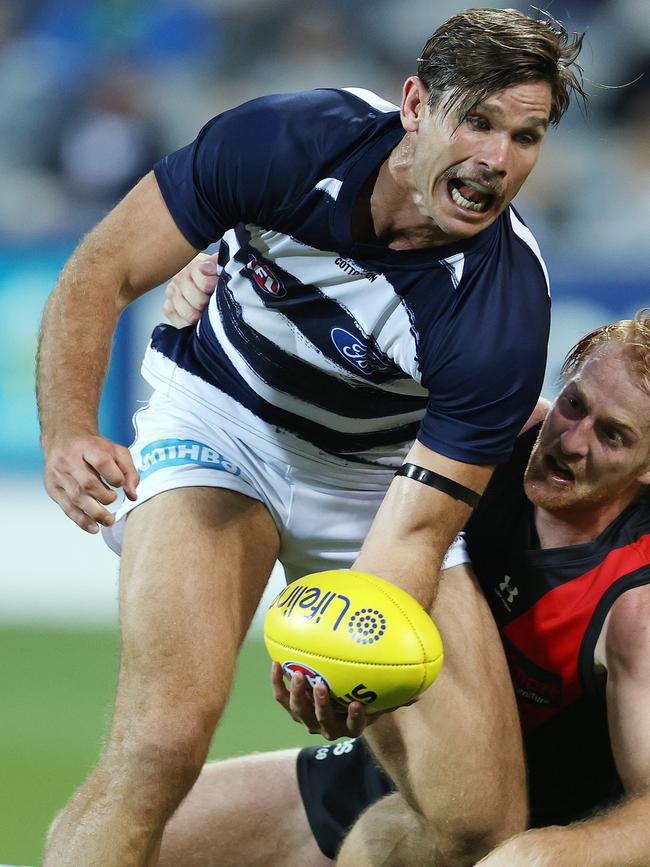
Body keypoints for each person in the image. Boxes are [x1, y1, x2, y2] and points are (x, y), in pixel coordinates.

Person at [35, 9, 586, 866]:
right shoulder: (288, 140)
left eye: (526, 135)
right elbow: (99, 270)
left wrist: (349, 648)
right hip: (222, 421)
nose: (497, 158)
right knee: (162, 741)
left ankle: (302, 812)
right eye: (477, 121)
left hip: (377, 481)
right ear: (414, 104)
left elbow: (414, 527)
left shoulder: (503, 313)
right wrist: (68, 430)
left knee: (475, 823)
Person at [153, 309, 650, 866]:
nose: (571, 440)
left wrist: (552, 856)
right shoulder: (488, 439)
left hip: (505, 829)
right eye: (574, 404)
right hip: (389, 770)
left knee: (384, 844)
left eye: (612, 435)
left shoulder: (636, 601)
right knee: (137, 836)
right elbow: (323, 369)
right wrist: (220, 282)